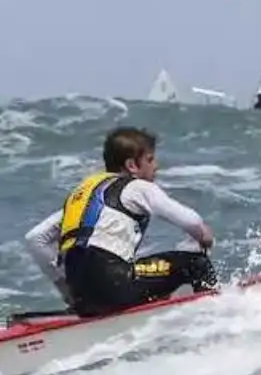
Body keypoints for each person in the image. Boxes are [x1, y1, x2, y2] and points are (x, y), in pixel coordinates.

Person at [24, 127, 218, 317]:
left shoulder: (82, 197)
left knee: (146, 274)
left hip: (81, 293)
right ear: (132, 166)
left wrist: (68, 292)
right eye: (150, 159)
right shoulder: (138, 187)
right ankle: (215, 316)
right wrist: (203, 235)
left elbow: (35, 238)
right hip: (115, 284)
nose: (156, 166)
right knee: (196, 264)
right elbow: (190, 220)